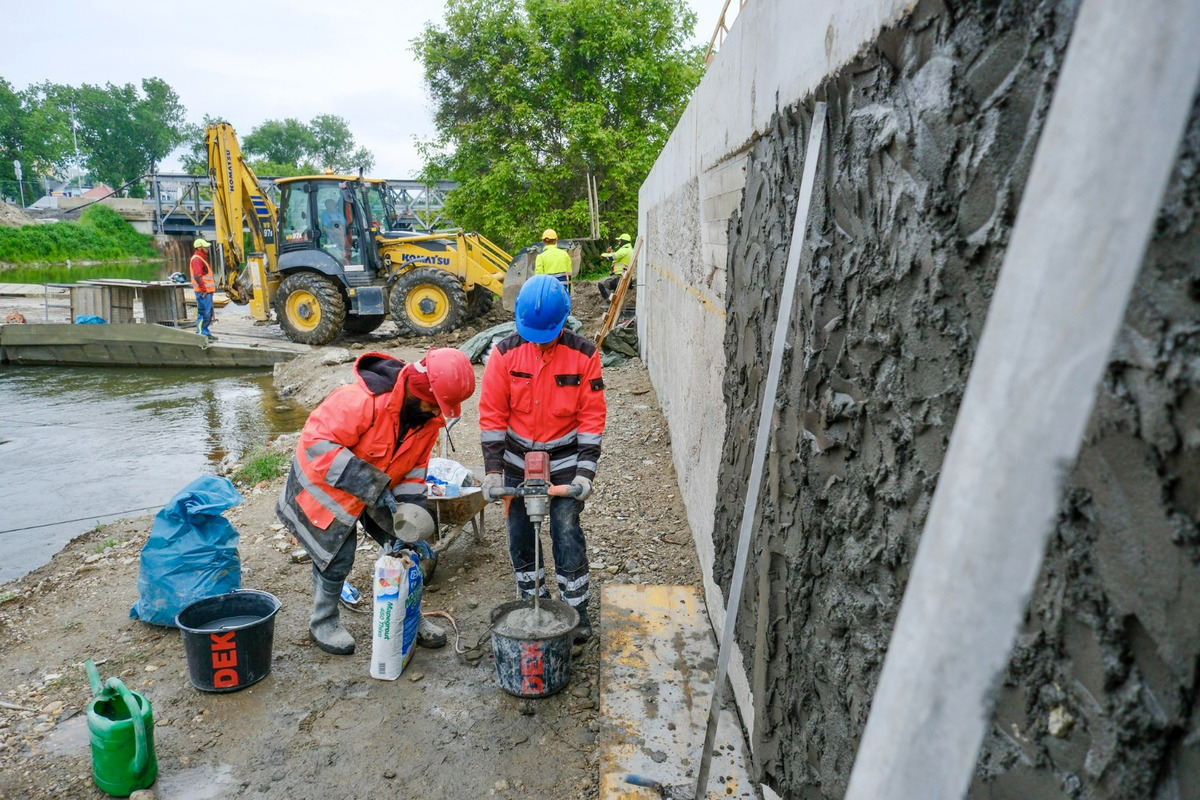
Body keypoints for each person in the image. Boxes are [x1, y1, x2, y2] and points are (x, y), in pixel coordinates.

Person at [276, 347, 476, 655]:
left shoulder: (426, 420)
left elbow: (414, 469)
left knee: (406, 549)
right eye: (433, 405)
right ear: (418, 389)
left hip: (378, 483)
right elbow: (316, 443)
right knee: (336, 556)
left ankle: (409, 614)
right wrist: (369, 484)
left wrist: (413, 511)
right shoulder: (360, 400)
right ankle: (323, 621)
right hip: (328, 484)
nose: (438, 413)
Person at [478, 275, 606, 643]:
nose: (539, 342)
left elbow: (591, 419)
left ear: (564, 321)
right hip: (518, 457)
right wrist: (493, 471)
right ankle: (533, 598)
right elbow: (491, 417)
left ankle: (575, 610)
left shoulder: (584, 355)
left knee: (565, 530)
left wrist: (584, 475)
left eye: (546, 334)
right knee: (519, 531)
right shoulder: (503, 354)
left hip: (564, 456)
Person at [190, 237, 216, 340]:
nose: (207, 249)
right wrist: (204, 289)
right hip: (203, 292)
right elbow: (197, 276)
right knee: (204, 313)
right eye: (205, 247)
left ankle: (205, 332)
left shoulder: (200, 258)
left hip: (205, 291)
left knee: (207, 313)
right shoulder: (197, 260)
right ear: (200, 248)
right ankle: (202, 333)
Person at [598, 233, 633, 301]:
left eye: (620, 241)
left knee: (601, 284)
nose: (619, 242)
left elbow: (614, 257)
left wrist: (603, 255)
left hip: (620, 277)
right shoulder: (628, 249)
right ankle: (611, 301)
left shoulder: (625, 249)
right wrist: (611, 252)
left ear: (623, 241)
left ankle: (610, 301)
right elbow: (617, 257)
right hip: (621, 276)